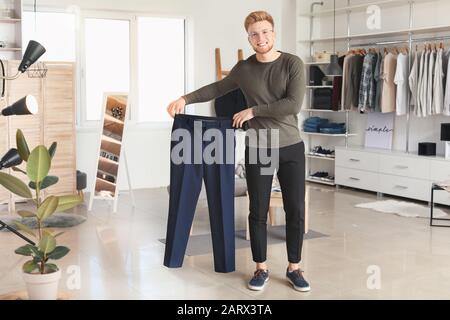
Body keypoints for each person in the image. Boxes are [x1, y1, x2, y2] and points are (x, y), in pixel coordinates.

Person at [166, 10, 309, 292]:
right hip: (260, 146)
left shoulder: (292, 63)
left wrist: (253, 110)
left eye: (265, 31)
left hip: (290, 145)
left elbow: (292, 104)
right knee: (257, 210)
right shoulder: (245, 69)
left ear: (274, 32)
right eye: (255, 34)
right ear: (249, 37)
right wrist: (185, 98)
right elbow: (217, 88)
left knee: (295, 209)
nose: (261, 38)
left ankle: (295, 268)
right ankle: (261, 268)